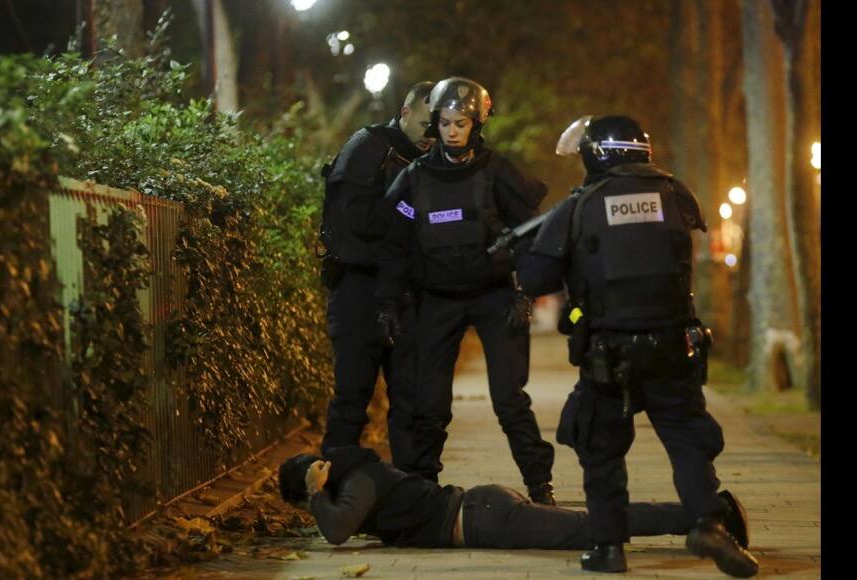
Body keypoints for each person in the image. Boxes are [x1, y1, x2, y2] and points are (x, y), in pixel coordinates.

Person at [516, 115, 758, 577]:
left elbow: (535, 278)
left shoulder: (580, 205)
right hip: (673, 345)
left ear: (594, 155)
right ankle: (708, 522)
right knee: (688, 439)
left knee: (600, 445)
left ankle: (608, 547)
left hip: (608, 353)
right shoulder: (676, 193)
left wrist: (529, 251)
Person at [376, 77, 555, 504]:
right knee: (430, 403)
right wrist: (389, 302)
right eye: (445, 123)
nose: (452, 131)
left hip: (494, 295)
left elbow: (531, 235)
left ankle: (539, 484)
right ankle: (422, 489)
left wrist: (525, 292)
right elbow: (396, 243)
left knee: (509, 400)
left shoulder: (498, 172)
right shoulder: (415, 179)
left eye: (461, 123)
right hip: (438, 299)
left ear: (477, 124)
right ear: (435, 124)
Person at [277, 446, 750, 555]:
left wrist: (316, 494)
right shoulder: (358, 478)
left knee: (595, 526)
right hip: (484, 513)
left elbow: (336, 531)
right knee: (591, 524)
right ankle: (704, 512)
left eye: (305, 502)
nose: (310, 510)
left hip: (484, 518)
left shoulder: (357, 481)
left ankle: (710, 511)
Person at [316, 81, 435, 467]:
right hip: (360, 288)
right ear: (405, 113)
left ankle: (416, 491)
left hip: (408, 294)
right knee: (352, 396)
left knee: (412, 403)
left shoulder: (435, 158)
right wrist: (407, 214)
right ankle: (335, 485)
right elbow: (356, 221)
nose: (432, 135)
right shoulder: (368, 148)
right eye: (425, 125)